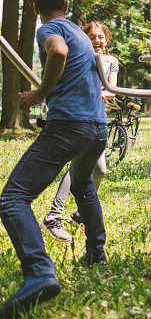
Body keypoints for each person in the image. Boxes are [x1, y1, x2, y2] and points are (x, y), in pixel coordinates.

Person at [0, 0, 109, 319]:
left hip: (69, 125)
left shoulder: (51, 28)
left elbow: (57, 51)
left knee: (13, 198)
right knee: (82, 184)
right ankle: (96, 253)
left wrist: (39, 93)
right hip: (97, 128)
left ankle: (39, 273)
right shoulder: (79, 30)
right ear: (65, 2)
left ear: (35, 8)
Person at [41, 22, 118, 242]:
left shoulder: (111, 61)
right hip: (78, 117)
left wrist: (102, 93)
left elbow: (112, 89)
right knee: (77, 166)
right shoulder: (80, 57)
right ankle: (55, 213)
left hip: (97, 120)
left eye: (101, 37)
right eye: (92, 36)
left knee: (100, 170)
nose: (97, 40)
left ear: (107, 39)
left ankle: (78, 213)